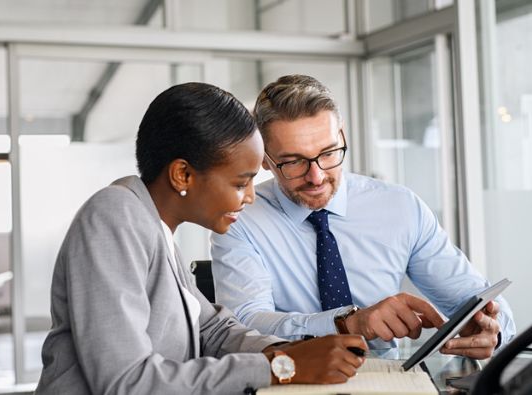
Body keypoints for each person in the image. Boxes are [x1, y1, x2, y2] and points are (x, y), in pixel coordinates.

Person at [36, 82, 367, 394]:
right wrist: (280, 366)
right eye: (240, 183)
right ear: (183, 174)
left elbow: (212, 329)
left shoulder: (156, 227)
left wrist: (292, 351)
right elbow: (127, 383)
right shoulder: (115, 216)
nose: (250, 196)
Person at [211, 74, 516, 359]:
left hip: (392, 382)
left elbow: (474, 295)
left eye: (329, 153)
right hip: (292, 382)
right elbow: (244, 326)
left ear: (341, 135)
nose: (316, 177)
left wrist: (492, 327)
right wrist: (347, 324)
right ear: (264, 159)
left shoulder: (399, 207)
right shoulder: (240, 219)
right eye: (293, 162)